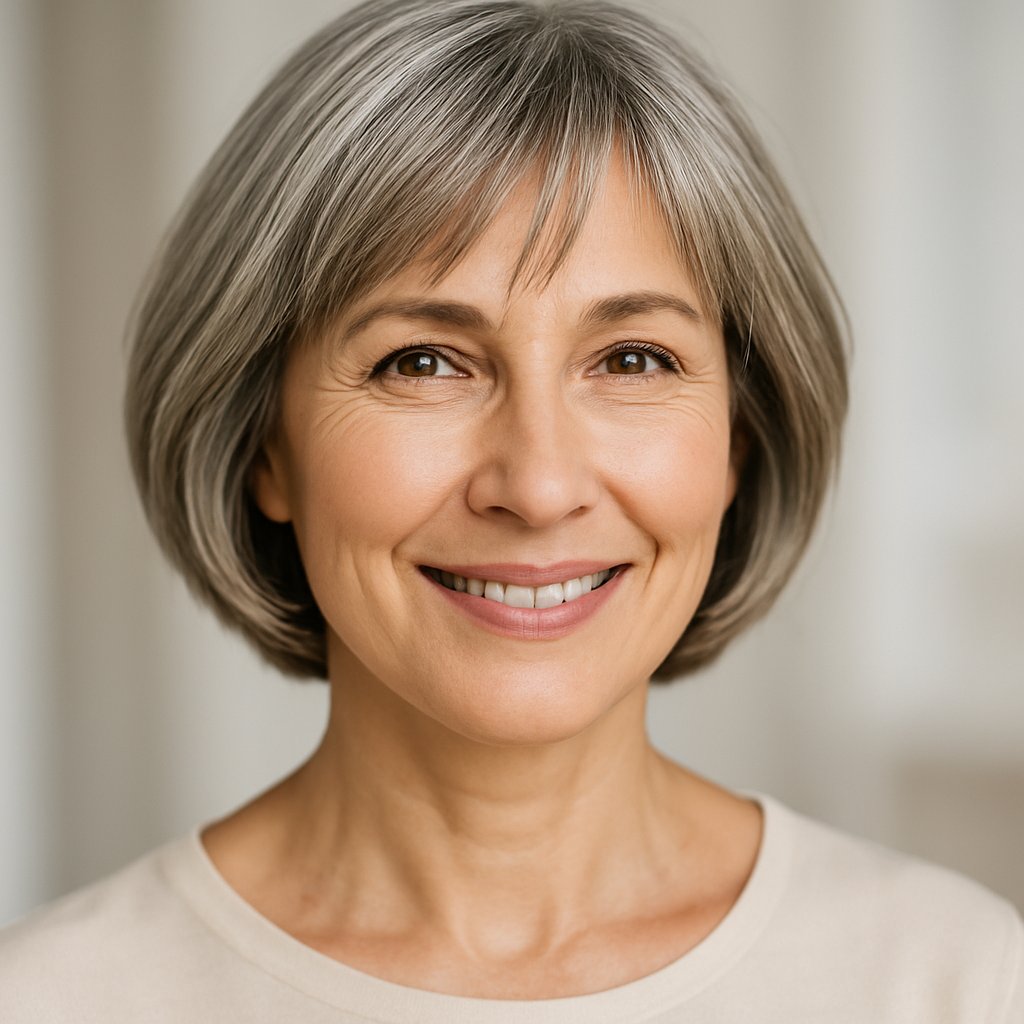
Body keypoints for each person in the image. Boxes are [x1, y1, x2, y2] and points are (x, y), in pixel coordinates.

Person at [2, 0, 1021, 1020]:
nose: (537, 486)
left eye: (631, 359)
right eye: (423, 362)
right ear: (263, 443)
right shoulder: (54, 998)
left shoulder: (954, 979)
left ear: (737, 441)